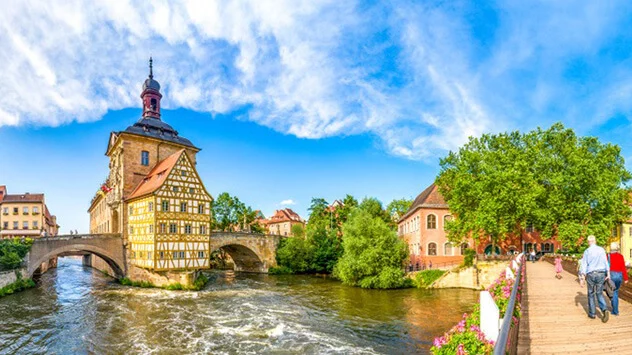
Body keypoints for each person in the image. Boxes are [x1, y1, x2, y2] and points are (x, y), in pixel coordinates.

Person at [579, 235, 610, 322]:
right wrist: (608, 273)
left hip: (591, 274)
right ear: (595, 241)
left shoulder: (587, 251)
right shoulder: (601, 250)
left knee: (591, 293)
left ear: (588, 242)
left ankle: (592, 314)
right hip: (601, 273)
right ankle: (604, 309)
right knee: (599, 293)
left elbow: (584, 265)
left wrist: (582, 278)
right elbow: (605, 262)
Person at [608, 242, 628, 316]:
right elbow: (623, 268)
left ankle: (615, 311)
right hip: (619, 275)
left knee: (612, 292)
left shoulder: (608, 256)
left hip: (612, 275)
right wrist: (626, 278)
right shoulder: (620, 256)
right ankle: (615, 310)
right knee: (616, 292)